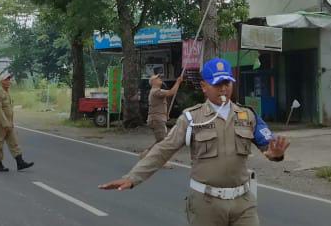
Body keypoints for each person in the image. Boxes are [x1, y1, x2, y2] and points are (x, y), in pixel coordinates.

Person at [99, 58, 290, 226]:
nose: (223, 88)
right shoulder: (191, 118)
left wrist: (276, 155)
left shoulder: (248, 115)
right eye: (217, 84)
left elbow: (270, 147)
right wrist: (132, 178)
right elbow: (163, 150)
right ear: (204, 86)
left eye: (227, 83)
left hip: (243, 202)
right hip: (206, 204)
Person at [0, 70, 34, 172]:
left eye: (9, 79)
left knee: (14, 142)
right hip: (0, 124)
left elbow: (9, 109)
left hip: (9, 123)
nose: (9, 81)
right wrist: (5, 123)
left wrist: (10, 123)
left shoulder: (7, 93)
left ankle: (20, 162)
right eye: (7, 79)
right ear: (2, 81)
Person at [141, 71, 184, 157]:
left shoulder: (158, 91)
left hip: (157, 119)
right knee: (163, 142)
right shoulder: (155, 92)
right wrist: (178, 82)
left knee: (161, 140)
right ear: (153, 82)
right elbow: (171, 92)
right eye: (157, 78)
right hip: (156, 120)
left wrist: (165, 114)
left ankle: (146, 154)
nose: (160, 78)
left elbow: (170, 92)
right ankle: (158, 159)